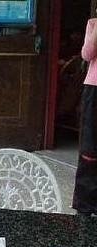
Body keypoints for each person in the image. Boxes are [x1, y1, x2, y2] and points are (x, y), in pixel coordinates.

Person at [73, 17, 97, 216]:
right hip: (94, 89)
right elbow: (87, 54)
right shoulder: (93, 23)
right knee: (90, 148)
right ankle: (85, 205)